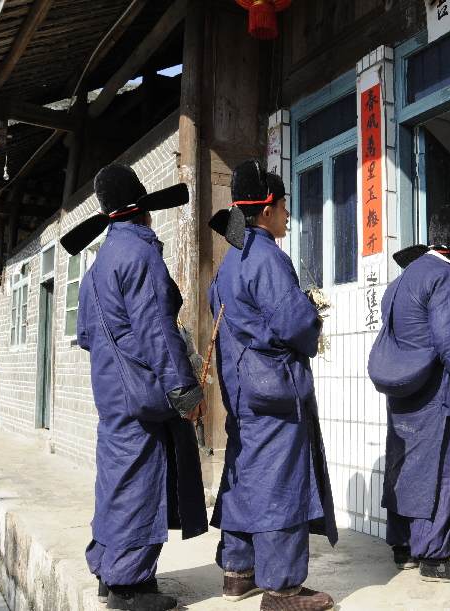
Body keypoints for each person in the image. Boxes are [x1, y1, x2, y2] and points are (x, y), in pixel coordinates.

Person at [72, 164, 208, 611]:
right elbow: (157, 332)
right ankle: (128, 588)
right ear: (143, 211)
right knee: (140, 482)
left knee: (116, 478)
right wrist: (185, 391)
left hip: (111, 390)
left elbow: (86, 334)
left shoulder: (98, 263)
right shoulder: (140, 254)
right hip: (142, 390)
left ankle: (109, 570)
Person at [206, 158, 337, 611]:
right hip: (276, 394)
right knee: (280, 482)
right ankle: (282, 590)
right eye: (284, 207)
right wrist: (314, 317)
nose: (287, 215)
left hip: (242, 392)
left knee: (244, 476)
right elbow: (296, 324)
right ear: (266, 210)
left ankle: (237, 573)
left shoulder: (230, 261)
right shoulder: (267, 257)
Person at [370, 205, 450, 584]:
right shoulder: (446, 275)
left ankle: (403, 546)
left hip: (402, 389)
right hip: (434, 393)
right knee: (442, 470)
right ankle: (434, 556)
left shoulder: (402, 279)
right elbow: (449, 335)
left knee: (403, 466)